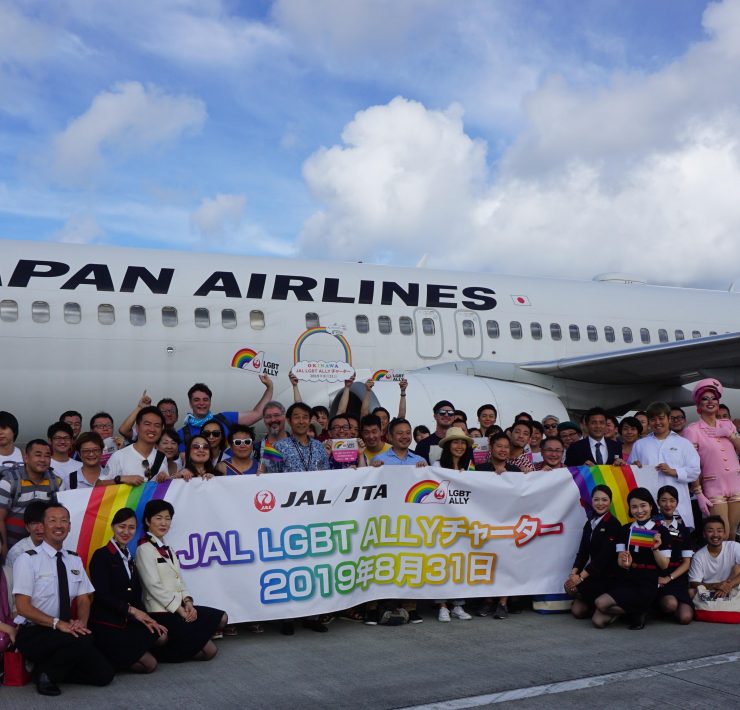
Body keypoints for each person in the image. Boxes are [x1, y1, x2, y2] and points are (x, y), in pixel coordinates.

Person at [13, 503, 115, 695]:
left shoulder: (73, 559)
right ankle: (47, 675)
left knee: (104, 675)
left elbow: (84, 597)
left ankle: (44, 669)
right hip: (34, 632)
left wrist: (82, 623)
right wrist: (57, 624)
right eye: (52, 521)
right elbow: (22, 607)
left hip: (65, 632)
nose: (58, 525)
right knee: (84, 641)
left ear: (69, 527)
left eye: (64, 521)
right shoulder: (27, 560)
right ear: (42, 526)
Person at [137, 499, 227, 661]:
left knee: (222, 618)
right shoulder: (144, 549)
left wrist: (188, 602)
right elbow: (153, 586)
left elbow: (179, 580)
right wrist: (179, 609)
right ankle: (161, 652)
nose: (164, 523)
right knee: (209, 652)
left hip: (180, 607)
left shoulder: (169, 548)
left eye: (168, 518)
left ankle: (186, 638)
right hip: (161, 611)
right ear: (147, 521)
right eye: (158, 518)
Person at [88, 507, 168, 672]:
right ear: (113, 527)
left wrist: (146, 617)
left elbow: (135, 594)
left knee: (162, 636)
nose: (126, 531)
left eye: (131, 528)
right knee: (149, 665)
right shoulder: (101, 555)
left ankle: (123, 651)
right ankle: (106, 655)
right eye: (122, 526)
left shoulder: (129, 556)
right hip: (107, 623)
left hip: (127, 620)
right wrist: (134, 612)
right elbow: (102, 595)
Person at [592, 488, 671, 630]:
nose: (639, 510)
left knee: (600, 603)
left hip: (648, 582)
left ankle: (641, 610)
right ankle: (639, 611)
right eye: (634, 507)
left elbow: (664, 565)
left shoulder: (662, 530)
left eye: (643, 505)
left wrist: (655, 548)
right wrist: (623, 561)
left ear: (651, 506)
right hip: (627, 579)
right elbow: (619, 562)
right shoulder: (625, 529)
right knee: (598, 621)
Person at [683, 378, 740, 540]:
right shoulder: (693, 430)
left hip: (736, 483)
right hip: (714, 486)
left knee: (732, 534)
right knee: (719, 535)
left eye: (713, 398)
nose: (710, 401)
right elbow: (691, 465)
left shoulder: (728, 424)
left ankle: (734, 566)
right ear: (698, 405)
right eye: (705, 399)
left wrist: (729, 434)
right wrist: (699, 494)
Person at [628, 402, 700, 527]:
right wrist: (634, 467)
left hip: (676, 506)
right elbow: (629, 473)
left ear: (668, 418)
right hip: (649, 507)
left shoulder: (683, 443)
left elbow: (695, 471)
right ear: (649, 422)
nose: (657, 422)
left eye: (661, 418)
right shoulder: (640, 445)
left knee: (675, 539)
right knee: (651, 540)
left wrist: (674, 471)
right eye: (653, 419)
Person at [565, 485, 621, 621]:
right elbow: (582, 552)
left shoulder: (614, 524)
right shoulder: (589, 523)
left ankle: (615, 608)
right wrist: (573, 573)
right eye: (596, 500)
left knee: (598, 621)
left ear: (610, 502)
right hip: (592, 575)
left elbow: (603, 558)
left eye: (604, 500)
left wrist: (581, 578)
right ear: (592, 501)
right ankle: (595, 604)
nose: (600, 503)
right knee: (576, 608)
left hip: (608, 577)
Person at [0, 440, 62, 557]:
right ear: (26, 458)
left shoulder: (57, 483)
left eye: (47, 456)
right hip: (11, 547)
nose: (43, 460)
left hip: (44, 550)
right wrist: (3, 548)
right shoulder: (9, 482)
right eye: (38, 455)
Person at [178, 376, 273, 452]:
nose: (201, 403)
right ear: (190, 403)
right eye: (196, 400)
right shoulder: (182, 434)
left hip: (228, 473)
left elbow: (258, 414)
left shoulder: (224, 418)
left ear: (210, 402)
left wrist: (269, 387)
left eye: (205, 400)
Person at [654, 486, 694, 624]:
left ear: (677, 502)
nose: (668, 504)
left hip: (676, 577)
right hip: (657, 576)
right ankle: (659, 606)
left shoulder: (683, 529)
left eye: (672, 500)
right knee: (670, 604)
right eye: (663, 500)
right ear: (657, 502)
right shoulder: (652, 524)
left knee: (686, 618)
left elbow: (687, 562)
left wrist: (669, 578)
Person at [102, 406, 166, 485]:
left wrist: (165, 478)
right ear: (137, 427)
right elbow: (99, 484)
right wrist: (120, 479)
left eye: (157, 425)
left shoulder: (162, 457)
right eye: (147, 424)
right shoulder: (119, 456)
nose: (152, 429)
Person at [260, 403, 330, 474]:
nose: (301, 421)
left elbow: (326, 473)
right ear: (289, 421)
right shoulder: (278, 447)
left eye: (305, 417)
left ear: (309, 421)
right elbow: (272, 476)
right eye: (297, 417)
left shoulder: (318, 446)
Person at [689, 516, 740, 598]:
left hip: (732, 589)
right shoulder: (698, 556)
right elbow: (694, 582)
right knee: (691, 592)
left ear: (724, 534)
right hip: (711, 592)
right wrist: (716, 586)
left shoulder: (734, 546)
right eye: (710, 531)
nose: (715, 535)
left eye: (719, 531)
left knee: (738, 568)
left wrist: (728, 585)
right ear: (704, 534)